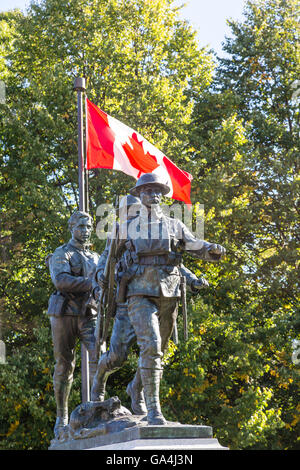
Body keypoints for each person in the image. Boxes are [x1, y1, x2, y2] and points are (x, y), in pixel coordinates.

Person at [94, 174, 225, 425]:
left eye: (157, 192)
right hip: (138, 292)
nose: (153, 196)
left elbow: (195, 245)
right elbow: (108, 258)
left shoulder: (175, 225)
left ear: (163, 196)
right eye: (147, 191)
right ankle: (153, 410)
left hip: (169, 292)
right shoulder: (126, 227)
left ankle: (136, 388)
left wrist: (212, 249)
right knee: (150, 347)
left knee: (159, 352)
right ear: (140, 194)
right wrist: (101, 276)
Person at [46, 211, 99, 438]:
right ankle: (62, 418)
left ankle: (99, 410)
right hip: (64, 313)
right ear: (71, 227)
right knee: (64, 366)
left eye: (88, 227)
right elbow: (61, 280)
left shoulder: (97, 257)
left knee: (101, 359)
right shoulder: (62, 253)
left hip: (89, 314)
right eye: (81, 226)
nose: (85, 231)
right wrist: (93, 282)